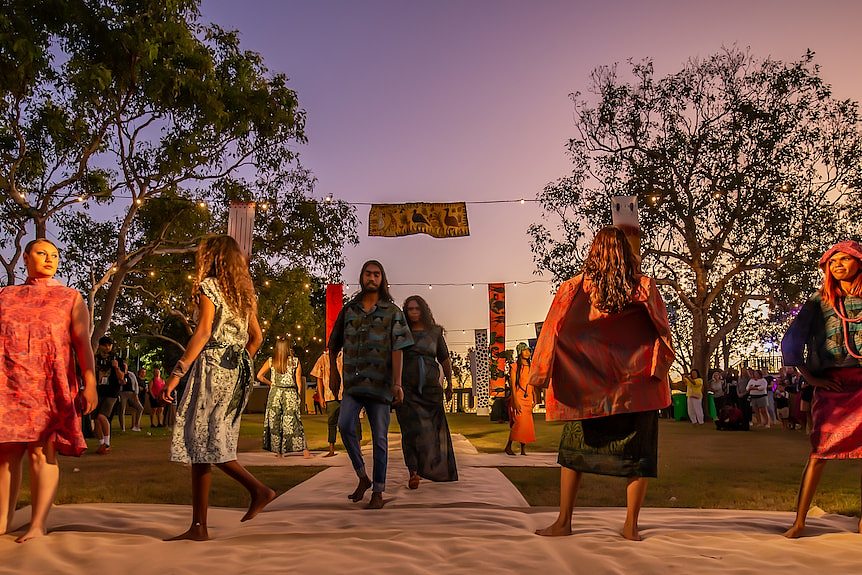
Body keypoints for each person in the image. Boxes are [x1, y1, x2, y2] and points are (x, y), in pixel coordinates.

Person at [529, 227, 674, 541]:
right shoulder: (644, 287)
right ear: (627, 252)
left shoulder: (573, 289)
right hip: (636, 389)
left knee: (572, 455)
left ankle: (564, 521)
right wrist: (659, 371)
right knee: (639, 457)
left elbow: (551, 333)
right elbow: (664, 333)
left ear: (593, 253)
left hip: (587, 389)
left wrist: (539, 377)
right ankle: (630, 526)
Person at [162, 235, 275, 541]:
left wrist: (176, 374)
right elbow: (257, 338)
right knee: (206, 444)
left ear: (212, 257)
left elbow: (202, 332)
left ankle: (258, 490)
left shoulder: (209, 287)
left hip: (211, 369)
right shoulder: (244, 295)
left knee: (204, 442)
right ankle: (199, 526)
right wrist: (240, 363)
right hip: (235, 374)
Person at [0, 238, 98, 542]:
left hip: (48, 384)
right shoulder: (5, 296)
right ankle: (2, 522)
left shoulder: (69, 297)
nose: (49, 259)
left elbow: (82, 343)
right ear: (26, 257)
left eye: (54, 255)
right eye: (42, 253)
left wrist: (90, 382)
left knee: (42, 451)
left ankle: (37, 524)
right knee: (5, 454)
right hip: (8, 382)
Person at [781, 240, 862, 538]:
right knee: (820, 451)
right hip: (835, 385)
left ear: (859, 263)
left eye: (845, 258)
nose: (838, 264)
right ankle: (800, 521)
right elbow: (792, 341)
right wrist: (812, 380)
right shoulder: (820, 301)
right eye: (833, 261)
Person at [329, 260, 414, 509]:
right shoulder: (349, 310)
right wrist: (333, 374)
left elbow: (399, 349)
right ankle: (362, 476)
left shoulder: (392, 312)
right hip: (353, 384)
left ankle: (378, 490)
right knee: (345, 426)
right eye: (368, 273)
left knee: (379, 438)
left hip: (381, 385)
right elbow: (334, 344)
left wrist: (398, 383)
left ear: (382, 278)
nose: (372, 278)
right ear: (362, 276)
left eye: (376, 274)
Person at [395, 295, 457, 490]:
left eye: (417, 309)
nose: (413, 312)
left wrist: (449, 383)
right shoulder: (402, 332)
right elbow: (394, 357)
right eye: (410, 309)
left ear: (423, 310)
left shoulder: (435, 332)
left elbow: (445, 359)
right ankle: (413, 471)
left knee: (432, 429)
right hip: (407, 388)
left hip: (430, 388)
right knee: (410, 430)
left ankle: (432, 467)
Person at [257, 339, 311, 458]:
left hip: (275, 393)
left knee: (275, 422)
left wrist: (270, 383)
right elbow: (298, 381)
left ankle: (278, 452)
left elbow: (259, 376)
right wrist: (299, 395)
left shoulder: (271, 361)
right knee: (295, 421)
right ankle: (305, 450)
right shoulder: (295, 361)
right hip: (290, 393)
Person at [311, 349, 357, 457]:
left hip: (346, 394)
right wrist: (321, 397)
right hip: (330, 394)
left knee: (353, 421)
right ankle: (331, 448)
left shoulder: (347, 356)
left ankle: (356, 447)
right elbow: (318, 376)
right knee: (332, 421)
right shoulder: (324, 358)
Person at [93, 336, 123, 454]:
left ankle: (107, 442)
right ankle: (102, 444)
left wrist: (116, 367)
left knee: (102, 416)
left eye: (109, 345)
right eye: (105, 345)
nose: (107, 347)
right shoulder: (96, 359)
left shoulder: (117, 359)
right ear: (100, 346)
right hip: (99, 390)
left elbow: (121, 377)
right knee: (95, 419)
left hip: (112, 391)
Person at [505, 343, 536, 455]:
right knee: (519, 422)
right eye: (525, 350)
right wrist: (515, 401)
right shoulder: (514, 366)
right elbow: (513, 386)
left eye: (528, 350)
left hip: (528, 397)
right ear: (520, 352)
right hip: (518, 396)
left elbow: (533, 383)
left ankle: (523, 449)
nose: (527, 353)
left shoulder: (531, 366)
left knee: (526, 424)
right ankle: (508, 446)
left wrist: (535, 399)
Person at [118, 363, 144, 432]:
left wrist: (136, 394)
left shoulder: (131, 374)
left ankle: (136, 425)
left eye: (125, 366)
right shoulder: (119, 374)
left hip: (131, 393)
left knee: (140, 408)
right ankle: (122, 427)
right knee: (122, 410)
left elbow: (135, 383)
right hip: (122, 393)